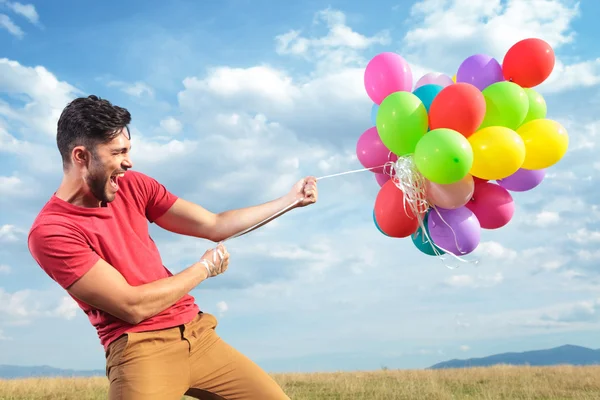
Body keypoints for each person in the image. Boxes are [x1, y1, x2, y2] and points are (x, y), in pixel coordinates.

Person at [27, 95, 318, 400]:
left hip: (197, 334)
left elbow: (214, 224)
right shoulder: (51, 232)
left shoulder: (132, 185)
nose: (129, 161)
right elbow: (132, 306)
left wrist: (291, 200)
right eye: (118, 152)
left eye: (129, 150)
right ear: (81, 156)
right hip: (140, 351)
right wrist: (203, 269)